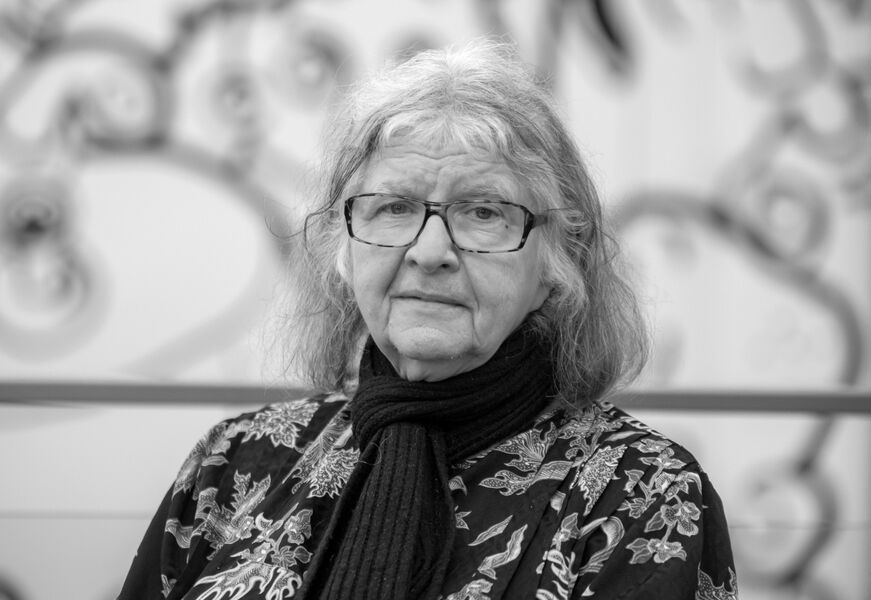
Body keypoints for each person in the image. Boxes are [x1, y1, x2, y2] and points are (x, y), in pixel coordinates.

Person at [119, 40, 738, 600]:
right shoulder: (232, 462)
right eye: (394, 208)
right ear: (343, 251)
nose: (429, 251)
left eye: (484, 212)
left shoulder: (643, 491)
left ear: (556, 265)